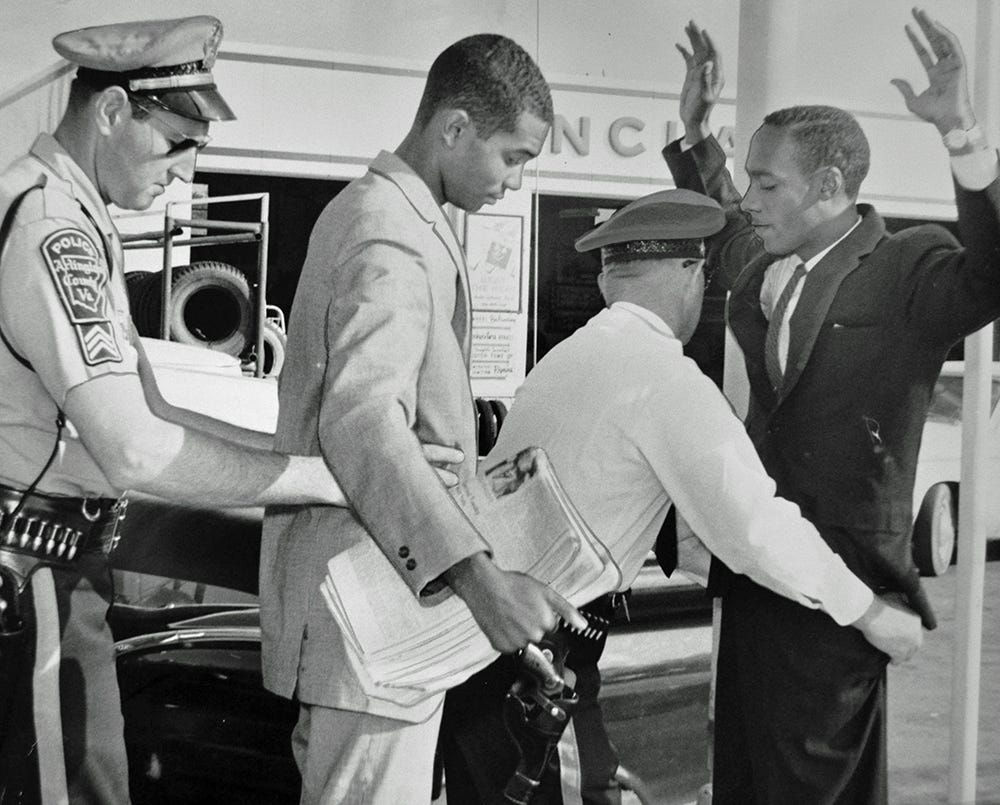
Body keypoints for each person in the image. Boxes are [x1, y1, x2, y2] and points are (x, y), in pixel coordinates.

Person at [0, 16, 460, 803]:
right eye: (177, 142)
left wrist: (307, 462)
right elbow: (136, 449)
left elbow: (155, 406)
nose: (183, 175)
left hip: (57, 568)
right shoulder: (53, 230)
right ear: (111, 111)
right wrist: (328, 481)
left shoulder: (76, 215)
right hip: (29, 578)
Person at [439, 189, 924, 805]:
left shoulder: (566, 358)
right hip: (539, 672)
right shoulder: (664, 377)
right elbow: (755, 529)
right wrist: (870, 614)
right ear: (691, 272)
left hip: (486, 666)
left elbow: (662, 520)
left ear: (609, 278)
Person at [662, 10, 1000, 804]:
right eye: (749, 179)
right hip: (757, 577)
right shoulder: (764, 263)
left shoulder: (908, 267)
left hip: (845, 595)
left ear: (828, 187)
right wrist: (696, 131)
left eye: (767, 183)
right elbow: (723, 212)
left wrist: (961, 132)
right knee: (743, 778)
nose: (749, 199)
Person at [258, 33, 585, 804]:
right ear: (456, 127)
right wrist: (481, 582)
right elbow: (364, 421)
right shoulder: (390, 231)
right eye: (512, 157)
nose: (515, 180)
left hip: (370, 605)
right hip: (369, 614)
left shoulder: (398, 215)